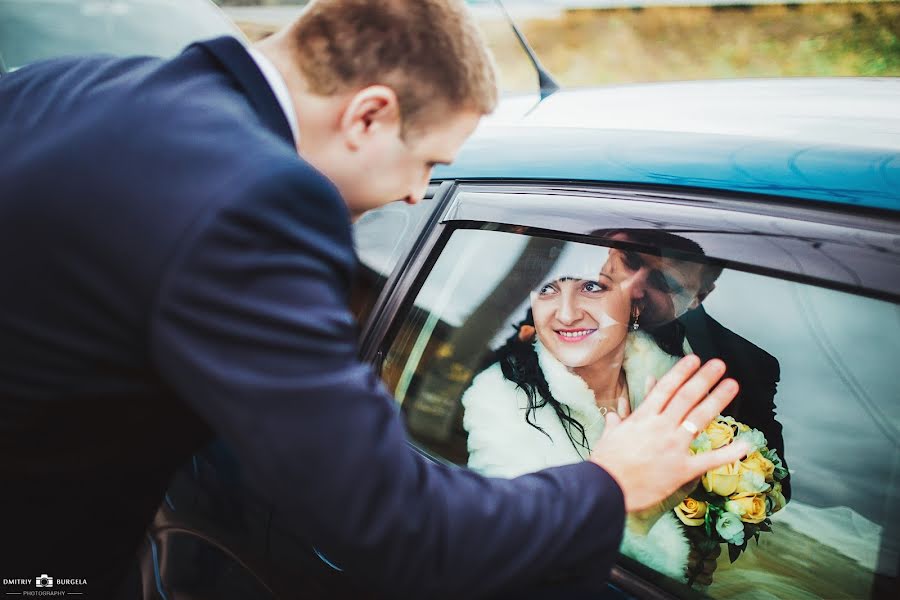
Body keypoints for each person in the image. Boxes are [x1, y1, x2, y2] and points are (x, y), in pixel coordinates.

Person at [0, 1, 748, 598]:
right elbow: (394, 528)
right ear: (369, 115)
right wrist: (609, 484)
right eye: (429, 160)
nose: (420, 191)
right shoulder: (259, 204)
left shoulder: (60, 84)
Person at [462, 244, 696, 581]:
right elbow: (519, 553)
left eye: (591, 287)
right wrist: (635, 521)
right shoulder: (497, 398)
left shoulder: (673, 380)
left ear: (634, 305)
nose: (567, 314)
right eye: (548, 289)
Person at [599, 230, 789, 500]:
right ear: (610, 249)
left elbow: (773, 483)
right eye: (629, 260)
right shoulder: (551, 308)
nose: (631, 287)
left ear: (699, 296)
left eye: (663, 282)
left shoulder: (746, 366)